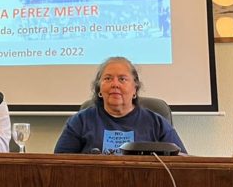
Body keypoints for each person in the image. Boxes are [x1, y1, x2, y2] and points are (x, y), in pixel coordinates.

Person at [54, 56, 185, 154]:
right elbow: (59, 164)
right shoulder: (80, 121)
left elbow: (183, 163)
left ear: (135, 88)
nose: (115, 84)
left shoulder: (157, 124)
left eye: (122, 79)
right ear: (99, 89)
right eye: (108, 78)